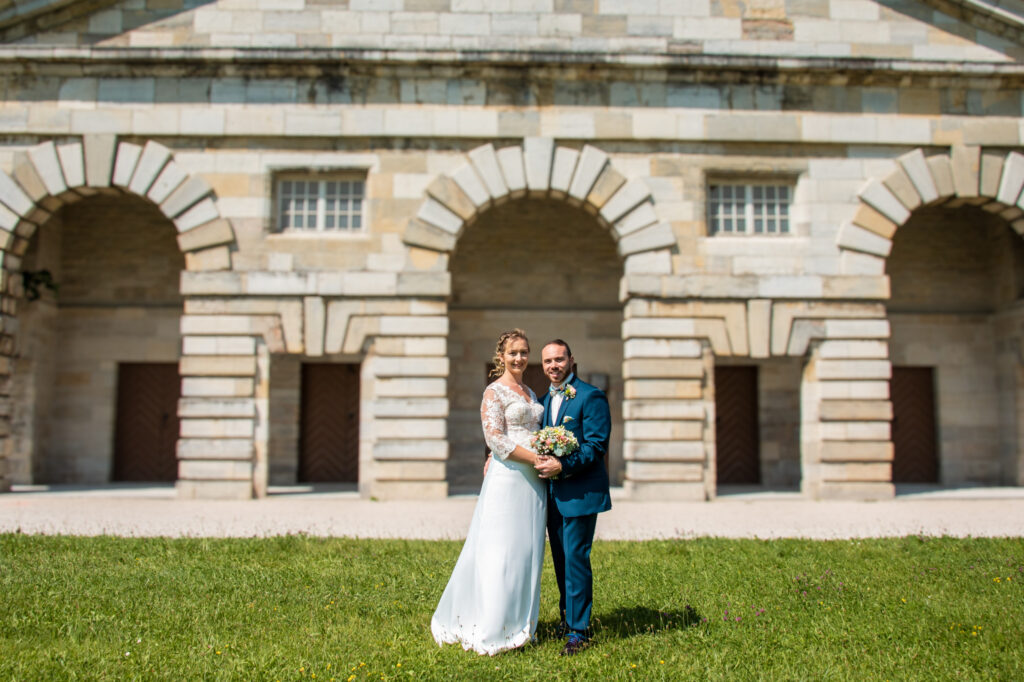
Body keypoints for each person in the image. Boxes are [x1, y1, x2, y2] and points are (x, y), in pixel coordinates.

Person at [430, 329, 546, 655]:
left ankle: (521, 622)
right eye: (513, 353)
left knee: (526, 551)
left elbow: (532, 431)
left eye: (524, 352)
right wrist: (535, 457)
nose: (519, 358)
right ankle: (494, 627)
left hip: (534, 483)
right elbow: (495, 438)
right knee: (501, 551)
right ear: (501, 356)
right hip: (508, 480)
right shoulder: (494, 393)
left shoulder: (530, 394)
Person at [534, 339, 612, 656]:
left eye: (559, 359)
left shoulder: (590, 397)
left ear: (571, 360)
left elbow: (596, 446)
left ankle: (580, 631)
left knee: (576, 560)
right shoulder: (542, 401)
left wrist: (562, 466)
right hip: (551, 495)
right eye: (548, 361)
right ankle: (567, 620)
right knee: (561, 560)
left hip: (580, 491)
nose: (554, 365)